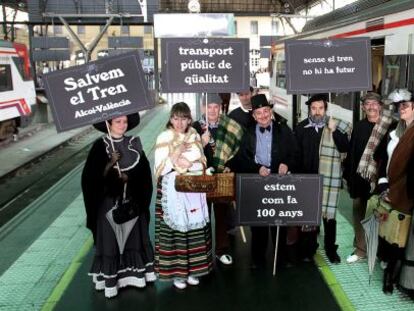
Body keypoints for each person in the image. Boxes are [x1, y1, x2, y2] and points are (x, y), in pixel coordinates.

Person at [81, 113, 155, 298]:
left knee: (132, 237)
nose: (122, 125)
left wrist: (129, 178)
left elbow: (144, 172)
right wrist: (110, 164)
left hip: (131, 202)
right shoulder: (100, 146)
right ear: (109, 124)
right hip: (108, 204)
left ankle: (135, 275)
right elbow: (89, 179)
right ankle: (112, 280)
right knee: (111, 241)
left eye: (124, 121)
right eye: (118, 122)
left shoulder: (134, 143)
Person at [235, 94, 299, 268]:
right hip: (257, 181)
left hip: (279, 181)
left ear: (270, 112)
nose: (263, 115)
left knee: (279, 222)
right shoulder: (248, 133)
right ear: (254, 116)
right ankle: (258, 259)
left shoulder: (284, 130)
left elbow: (295, 154)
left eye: (265, 111)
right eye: (259, 113)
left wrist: (286, 163)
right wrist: (257, 169)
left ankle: (281, 258)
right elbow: (241, 159)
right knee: (259, 223)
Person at [154, 102, 212, 289]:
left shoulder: (194, 134)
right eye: (176, 118)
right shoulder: (164, 136)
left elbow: (201, 158)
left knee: (194, 232)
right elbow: (160, 168)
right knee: (176, 233)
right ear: (171, 118)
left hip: (193, 189)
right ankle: (178, 275)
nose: (180, 123)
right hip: (173, 189)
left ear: (189, 119)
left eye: (184, 118)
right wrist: (175, 155)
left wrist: (191, 160)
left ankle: (194, 270)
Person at [295, 94, 351, 264]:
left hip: (328, 179)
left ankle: (330, 249)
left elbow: (344, 148)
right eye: (314, 108)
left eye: (320, 108)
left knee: (329, 217)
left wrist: (334, 131)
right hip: (308, 178)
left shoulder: (334, 126)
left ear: (325, 109)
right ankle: (309, 248)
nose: (317, 112)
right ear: (309, 109)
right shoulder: (301, 127)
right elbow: (296, 154)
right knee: (310, 217)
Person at [193, 93, 243, 265]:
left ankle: (222, 250)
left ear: (221, 108)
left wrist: (231, 165)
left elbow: (239, 151)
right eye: (209, 106)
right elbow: (186, 154)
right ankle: (204, 251)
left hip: (222, 178)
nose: (213, 110)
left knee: (222, 215)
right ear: (202, 108)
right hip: (202, 179)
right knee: (202, 216)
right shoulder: (194, 128)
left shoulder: (230, 126)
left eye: (216, 106)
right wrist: (202, 142)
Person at [343, 92, 393, 263]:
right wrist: (350, 179)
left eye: (374, 104)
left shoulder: (389, 127)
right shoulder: (359, 126)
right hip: (360, 178)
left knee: (383, 217)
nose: (371, 107)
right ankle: (361, 249)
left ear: (380, 106)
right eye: (367, 104)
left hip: (381, 181)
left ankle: (381, 253)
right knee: (359, 213)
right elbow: (352, 154)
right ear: (363, 107)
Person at [375, 89, 414, 296]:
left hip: (406, 193)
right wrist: (382, 184)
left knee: (400, 239)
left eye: (405, 106)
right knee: (389, 233)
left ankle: (390, 276)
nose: (401, 110)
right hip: (388, 189)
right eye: (399, 107)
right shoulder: (394, 129)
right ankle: (388, 267)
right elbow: (380, 156)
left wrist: (395, 191)